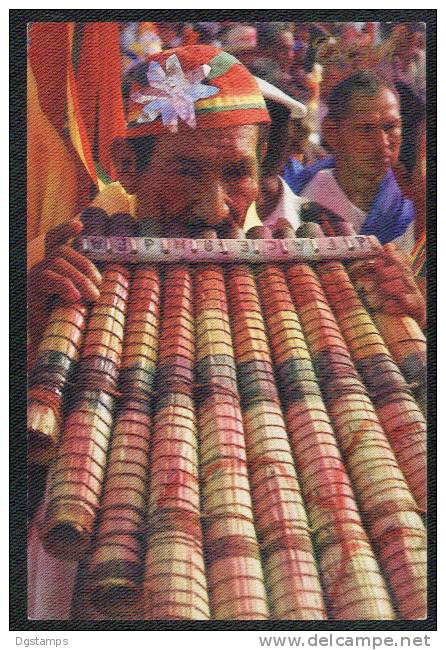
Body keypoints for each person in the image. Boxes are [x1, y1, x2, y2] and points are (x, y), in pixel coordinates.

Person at [28, 46, 425, 352]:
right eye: (186, 171)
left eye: (237, 173)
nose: (215, 209)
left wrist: (412, 325)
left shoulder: (322, 265)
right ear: (128, 166)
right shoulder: (64, 269)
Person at [284, 70, 416, 253]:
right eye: (366, 129)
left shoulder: (411, 210)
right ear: (331, 132)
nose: (382, 142)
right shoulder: (298, 196)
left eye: (390, 127)